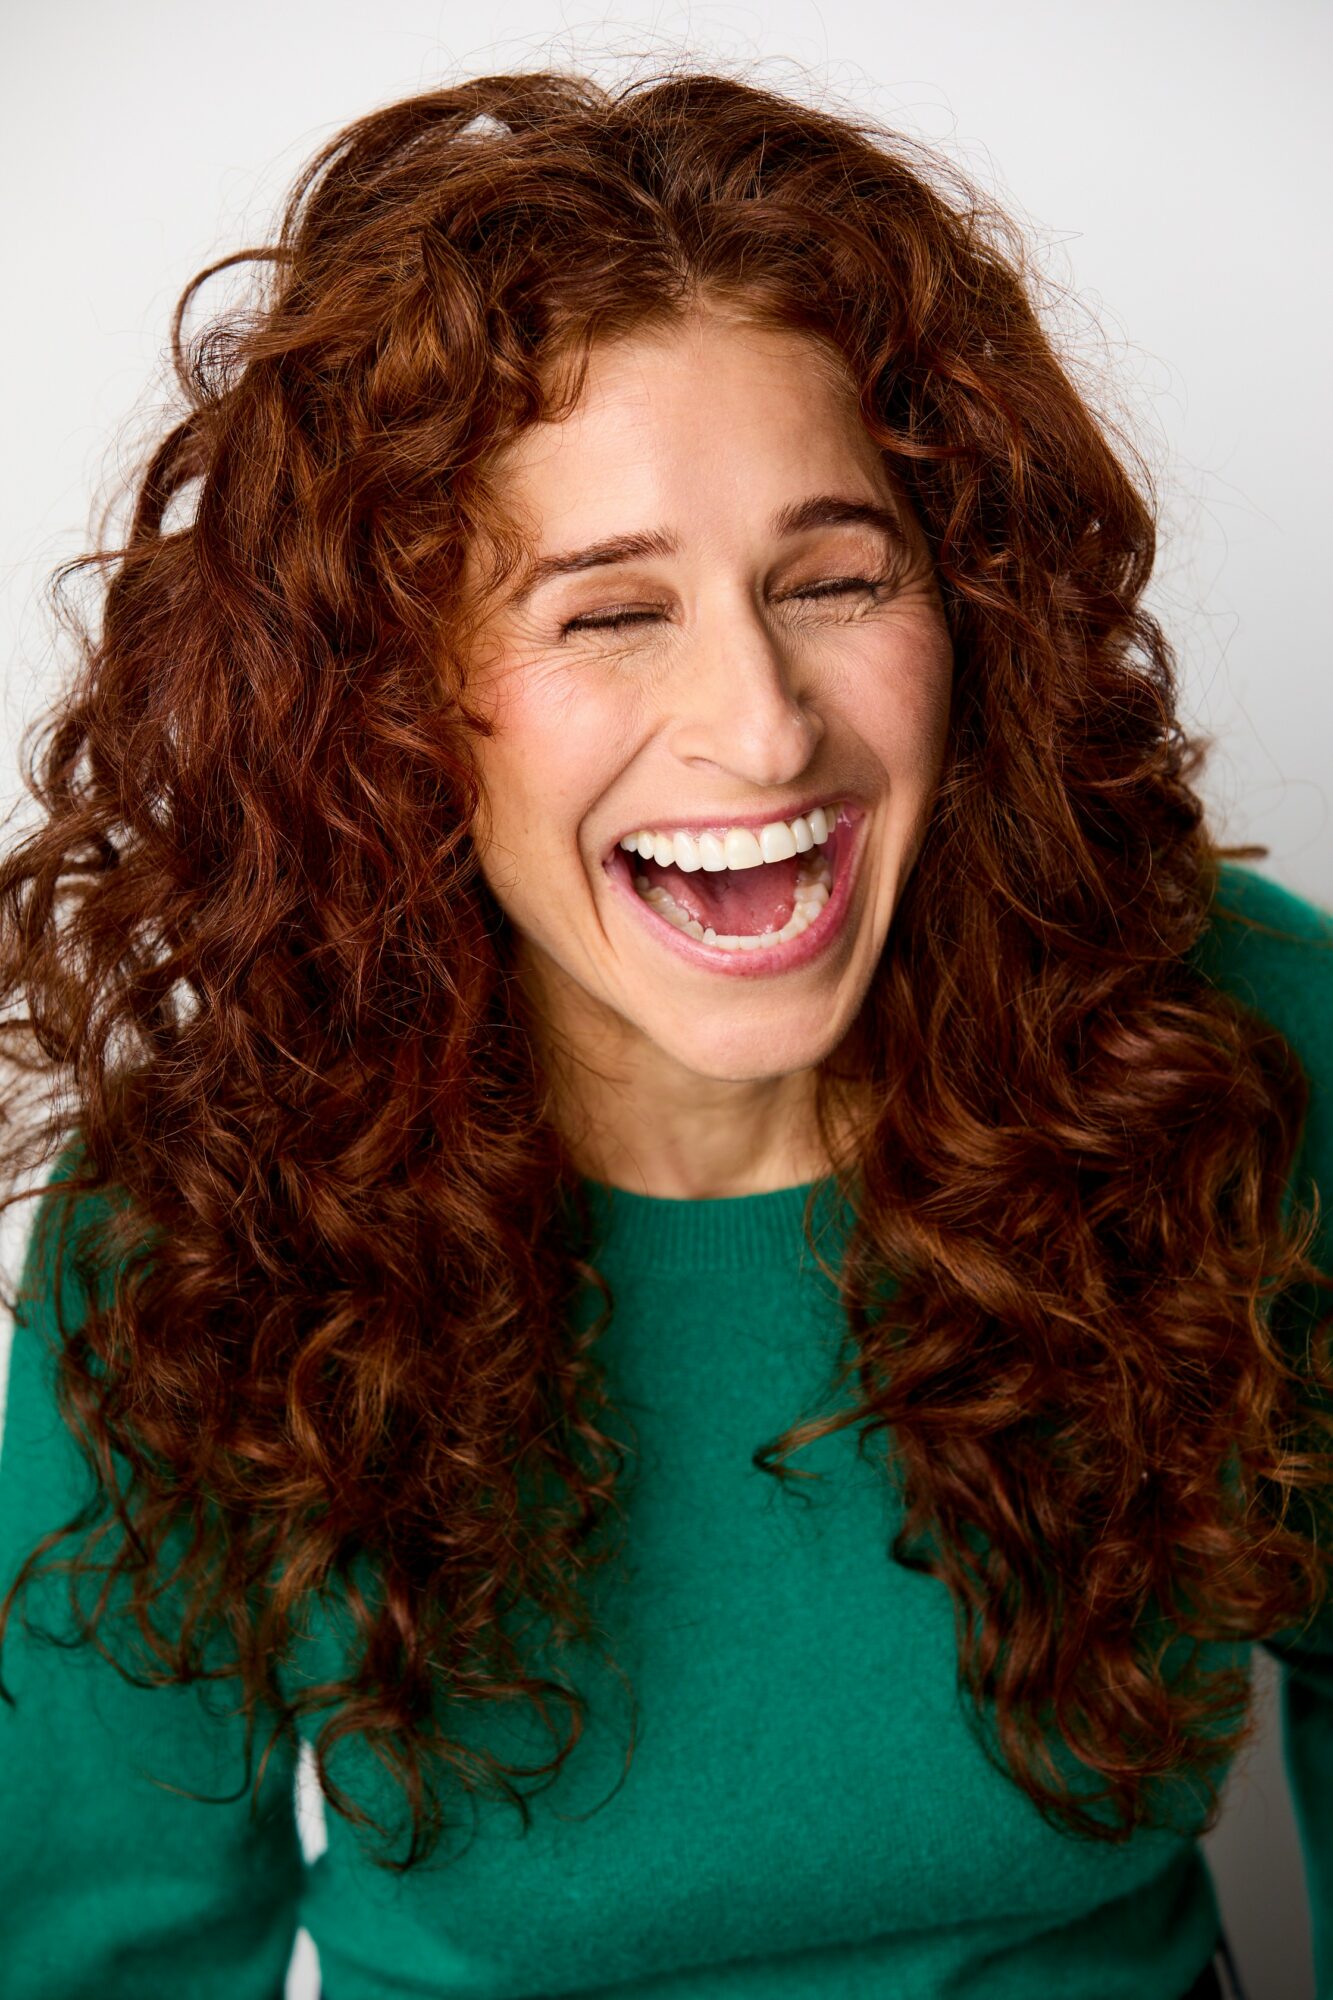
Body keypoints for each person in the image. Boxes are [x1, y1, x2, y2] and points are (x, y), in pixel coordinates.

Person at [0, 63, 1328, 2000]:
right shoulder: (202, 1222)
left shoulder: (1228, 1041)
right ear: (390, 699)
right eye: (605, 611)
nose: (764, 723)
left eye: (836, 578)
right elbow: (95, 1947)